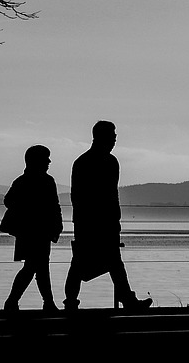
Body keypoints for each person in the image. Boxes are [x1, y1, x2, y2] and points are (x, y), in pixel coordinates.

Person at [62, 120, 152, 312]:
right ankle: (125, 299)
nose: (115, 140)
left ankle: (73, 301)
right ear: (103, 137)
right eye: (112, 136)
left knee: (93, 261)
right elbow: (97, 195)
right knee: (94, 261)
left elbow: (103, 194)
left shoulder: (87, 162)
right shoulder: (100, 162)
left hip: (94, 221)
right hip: (93, 221)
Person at [1, 145, 64, 314]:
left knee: (37, 267)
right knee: (35, 267)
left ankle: (40, 302)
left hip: (36, 231)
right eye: (46, 158)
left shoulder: (30, 181)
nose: (49, 161)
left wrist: (57, 223)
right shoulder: (39, 181)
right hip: (33, 231)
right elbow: (9, 201)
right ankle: (22, 302)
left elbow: (54, 205)